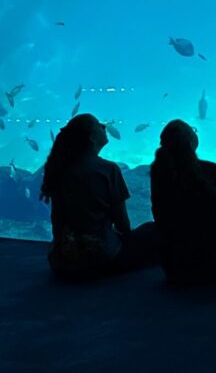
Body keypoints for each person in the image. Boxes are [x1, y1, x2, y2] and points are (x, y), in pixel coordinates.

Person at [40, 113, 157, 279]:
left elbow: (57, 220)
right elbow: (123, 225)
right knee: (153, 230)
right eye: (98, 124)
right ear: (92, 138)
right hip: (102, 257)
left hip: (62, 261)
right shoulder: (108, 170)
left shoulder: (60, 169)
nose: (103, 126)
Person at [150, 119, 216, 286]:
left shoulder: (159, 172)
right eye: (193, 131)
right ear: (190, 141)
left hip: (173, 267)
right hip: (210, 262)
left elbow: (158, 214)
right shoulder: (212, 170)